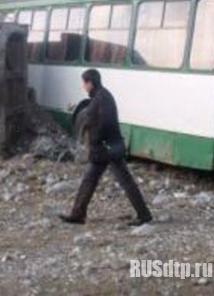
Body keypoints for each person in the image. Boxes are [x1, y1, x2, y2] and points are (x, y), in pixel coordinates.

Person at [59, 69, 152, 226]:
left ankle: (144, 215)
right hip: (103, 149)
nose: (83, 86)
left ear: (90, 83)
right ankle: (77, 214)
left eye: (84, 83)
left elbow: (105, 124)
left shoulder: (102, 98)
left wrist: (95, 139)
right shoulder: (101, 96)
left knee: (125, 182)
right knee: (89, 180)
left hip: (108, 149)